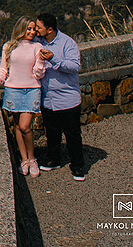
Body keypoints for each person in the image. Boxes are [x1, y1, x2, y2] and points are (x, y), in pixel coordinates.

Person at [0, 16, 46, 176]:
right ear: (21, 29)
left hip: (32, 90)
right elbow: (4, 69)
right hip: (13, 89)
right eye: (29, 29)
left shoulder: (37, 47)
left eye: (34, 29)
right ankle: (24, 159)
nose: (32, 32)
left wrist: (41, 61)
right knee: (18, 126)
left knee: (25, 126)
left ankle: (32, 159)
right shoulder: (9, 46)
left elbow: (39, 74)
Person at [35, 12, 86, 180]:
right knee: (52, 132)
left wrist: (54, 59)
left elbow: (75, 66)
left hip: (67, 98)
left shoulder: (67, 43)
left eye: (39, 27)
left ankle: (77, 166)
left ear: (49, 29)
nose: (36, 30)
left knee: (72, 134)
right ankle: (53, 159)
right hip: (48, 98)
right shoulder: (38, 42)